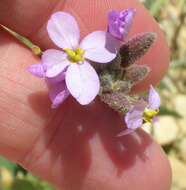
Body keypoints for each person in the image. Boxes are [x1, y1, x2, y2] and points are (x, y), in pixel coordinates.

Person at [0, 0, 171, 189]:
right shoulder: (77, 52)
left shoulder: (106, 55)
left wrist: (131, 106)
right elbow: (59, 23)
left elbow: (107, 56)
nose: (76, 54)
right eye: (75, 54)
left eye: (76, 55)